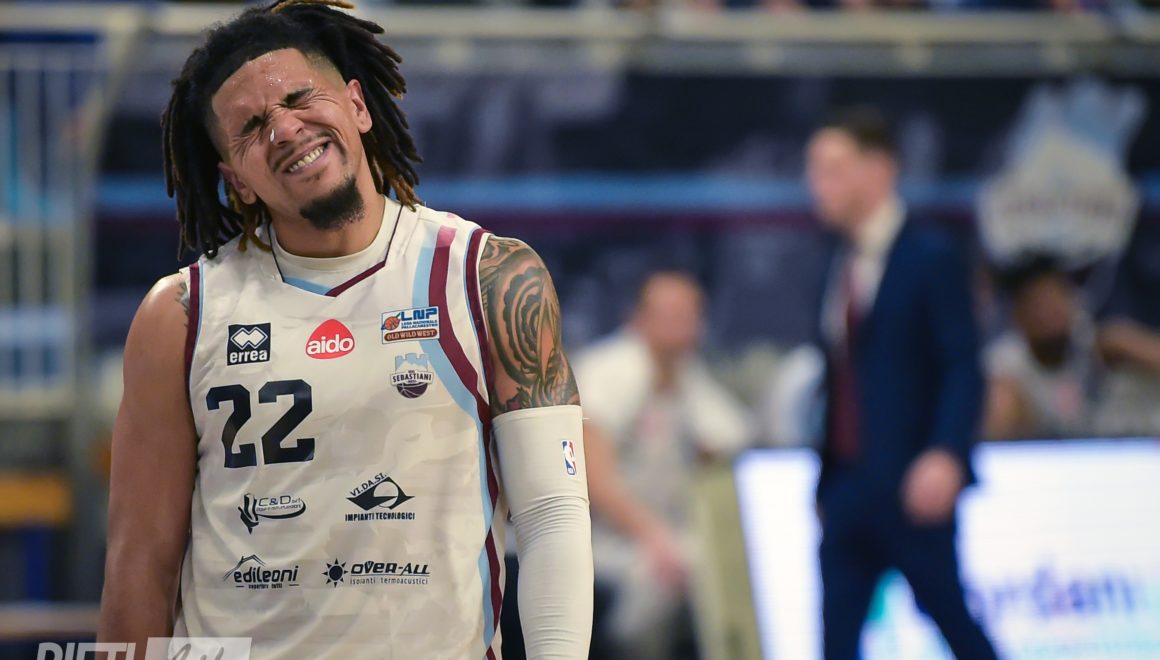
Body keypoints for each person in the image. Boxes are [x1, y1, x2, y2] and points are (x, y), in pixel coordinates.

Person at [97, 2, 592, 658]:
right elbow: (139, 564)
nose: (284, 128)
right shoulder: (181, 314)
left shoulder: (487, 276)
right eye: (251, 127)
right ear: (237, 181)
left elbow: (552, 515)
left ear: (357, 105)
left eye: (300, 97)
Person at [804, 107, 998, 660]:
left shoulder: (929, 256)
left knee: (955, 623)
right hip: (847, 488)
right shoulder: (835, 262)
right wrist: (827, 480)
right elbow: (839, 376)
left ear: (879, 169)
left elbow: (963, 364)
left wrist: (946, 453)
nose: (817, 184)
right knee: (836, 641)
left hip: (912, 485)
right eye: (815, 170)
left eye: (833, 169)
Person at [574, 271, 751, 660]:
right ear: (638, 317)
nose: (680, 325)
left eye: (688, 315)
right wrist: (654, 537)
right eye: (668, 314)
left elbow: (732, 438)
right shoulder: (607, 371)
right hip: (602, 540)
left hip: (667, 534)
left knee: (727, 566)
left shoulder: (687, 375)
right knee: (666, 574)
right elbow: (595, 479)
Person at [985, 253, 1160, 439]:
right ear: (1017, 315)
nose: (1047, 314)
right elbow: (998, 435)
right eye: (1037, 303)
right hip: (1042, 452)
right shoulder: (1006, 366)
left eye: (1053, 298)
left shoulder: (1100, 342)